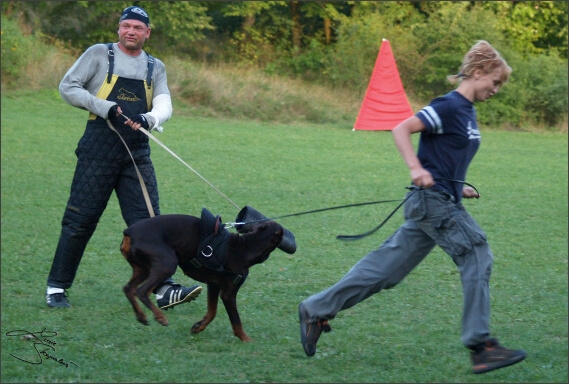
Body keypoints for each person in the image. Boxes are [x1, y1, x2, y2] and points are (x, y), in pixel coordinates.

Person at [298, 40, 527, 374]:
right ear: (478, 72)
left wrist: (456, 185)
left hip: (439, 200)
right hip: (432, 205)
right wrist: (416, 169)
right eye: (495, 82)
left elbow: (445, 154)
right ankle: (481, 347)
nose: (496, 89)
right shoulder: (449, 105)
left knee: (385, 271)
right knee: (476, 252)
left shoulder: (468, 111)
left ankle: (315, 309)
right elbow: (401, 128)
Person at [46, 6, 202, 309]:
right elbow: (68, 87)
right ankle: (56, 287)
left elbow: (164, 102)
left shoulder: (155, 66)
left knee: (149, 224)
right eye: (126, 26)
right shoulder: (98, 54)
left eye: (137, 27)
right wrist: (104, 107)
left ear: (147, 32)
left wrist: (149, 119)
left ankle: (163, 288)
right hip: (98, 150)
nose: (131, 31)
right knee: (80, 222)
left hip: (137, 153)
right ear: (119, 28)